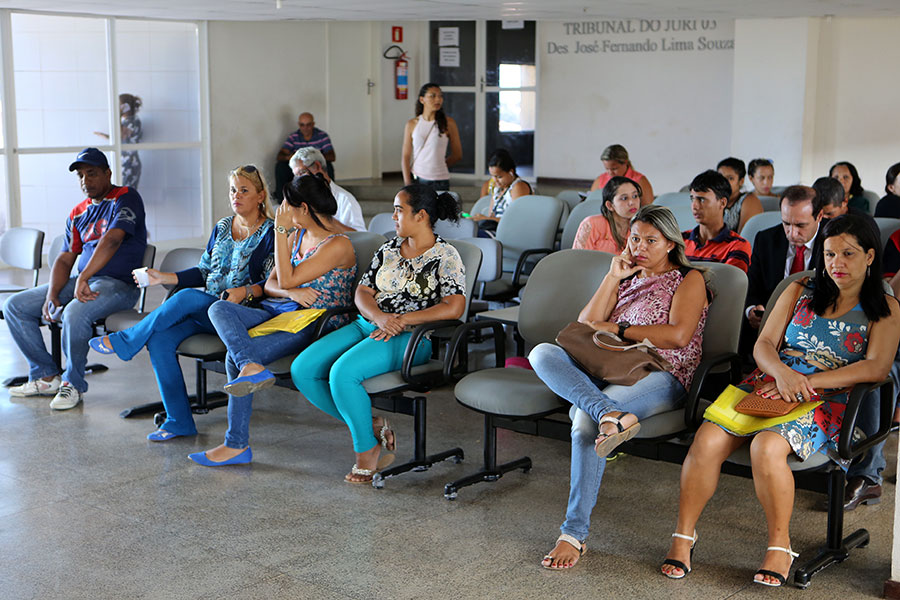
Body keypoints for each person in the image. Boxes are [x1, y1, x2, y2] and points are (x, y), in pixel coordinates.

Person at [661, 214, 900, 586]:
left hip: (826, 399)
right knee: (706, 440)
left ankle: (779, 545)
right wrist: (783, 375)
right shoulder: (800, 289)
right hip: (769, 383)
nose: (836, 263)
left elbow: (875, 368)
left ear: (870, 256)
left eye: (848, 254)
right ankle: (683, 535)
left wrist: (805, 381)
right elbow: (764, 345)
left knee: (767, 447)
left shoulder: (885, 308)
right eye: (830, 253)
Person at [530, 205, 709, 570]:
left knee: (583, 421)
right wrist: (613, 277)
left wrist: (620, 329)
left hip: (660, 373)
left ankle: (573, 534)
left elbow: (678, 335)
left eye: (651, 240)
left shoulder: (689, 279)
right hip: (608, 368)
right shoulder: (628, 275)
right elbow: (585, 323)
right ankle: (609, 412)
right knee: (541, 353)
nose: (640, 246)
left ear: (671, 243)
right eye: (635, 238)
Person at [292, 184, 466, 483]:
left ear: (421, 215)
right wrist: (379, 316)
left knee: (342, 374)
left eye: (399, 210)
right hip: (369, 323)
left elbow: (454, 306)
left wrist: (401, 320)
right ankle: (370, 424)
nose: (393, 216)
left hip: (411, 337)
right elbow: (363, 290)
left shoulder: (446, 255)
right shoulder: (388, 248)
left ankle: (366, 451)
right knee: (303, 369)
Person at [89, 165, 274, 440]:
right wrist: (162, 277)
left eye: (244, 191)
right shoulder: (223, 227)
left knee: (186, 297)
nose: (236, 195)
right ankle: (179, 420)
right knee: (159, 340)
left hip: (239, 315)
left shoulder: (271, 232)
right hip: (207, 309)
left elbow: (273, 283)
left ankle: (127, 340)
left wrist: (245, 291)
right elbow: (203, 270)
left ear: (260, 196)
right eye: (233, 190)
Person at [189, 174, 357, 466]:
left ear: (303, 208)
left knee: (233, 358)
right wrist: (293, 293)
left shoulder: (337, 245)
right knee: (218, 308)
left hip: (313, 322)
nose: (282, 211)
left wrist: (280, 234)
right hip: (280, 310)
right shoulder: (297, 236)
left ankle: (236, 444)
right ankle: (251, 366)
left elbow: (285, 277)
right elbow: (270, 285)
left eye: (287, 205)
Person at [4, 148, 147, 410]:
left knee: (74, 313)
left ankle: (73, 384)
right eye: (80, 176)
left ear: (107, 173)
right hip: (85, 281)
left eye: (91, 174)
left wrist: (84, 276)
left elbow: (113, 239)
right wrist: (52, 293)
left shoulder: (125, 197)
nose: (85, 181)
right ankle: (46, 375)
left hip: (120, 285)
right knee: (15, 306)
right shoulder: (77, 213)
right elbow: (65, 257)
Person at [744, 185, 824, 334]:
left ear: (819, 216)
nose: (792, 233)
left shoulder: (834, 243)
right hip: (770, 325)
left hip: (816, 325)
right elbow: (751, 287)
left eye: (801, 225)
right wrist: (752, 310)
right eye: (786, 223)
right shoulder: (765, 240)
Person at [682, 170, 751, 272]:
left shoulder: (737, 246)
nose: (694, 206)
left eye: (701, 200)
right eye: (692, 199)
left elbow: (729, 285)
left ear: (722, 203)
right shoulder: (680, 240)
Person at [401, 83, 462, 192]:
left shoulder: (449, 123)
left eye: (440, 96)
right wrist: (407, 183)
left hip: (441, 180)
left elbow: (457, 154)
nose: (438, 99)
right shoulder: (412, 124)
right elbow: (405, 156)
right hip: (418, 178)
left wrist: (440, 165)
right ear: (422, 99)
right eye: (432, 96)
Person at [289, 147, 365, 231]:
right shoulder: (301, 199)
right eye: (296, 176)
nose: (299, 180)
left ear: (317, 166)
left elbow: (360, 237)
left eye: (302, 173)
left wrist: (326, 219)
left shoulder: (345, 199)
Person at [572, 176, 641, 253]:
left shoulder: (641, 226)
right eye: (624, 198)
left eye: (635, 196)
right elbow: (578, 260)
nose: (632, 202)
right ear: (610, 205)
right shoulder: (591, 224)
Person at [471, 149, 532, 235]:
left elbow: (516, 220)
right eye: (492, 176)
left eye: (499, 176)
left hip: (510, 232)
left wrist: (486, 219)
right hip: (495, 229)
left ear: (511, 172)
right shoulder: (497, 189)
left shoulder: (518, 187)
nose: (495, 180)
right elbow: (491, 216)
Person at [275, 112, 336, 198]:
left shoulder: (322, 136)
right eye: (302, 125)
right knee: (281, 167)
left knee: (328, 166)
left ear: (313, 124)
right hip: (299, 167)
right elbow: (280, 156)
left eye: (308, 125)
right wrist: (290, 157)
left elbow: (332, 156)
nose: (305, 128)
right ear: (299, 125)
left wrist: (314, 158)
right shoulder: (293, 137)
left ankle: (329, 195)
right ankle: (282, 198)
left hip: (315, 166)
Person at [94, 94, 143, 189]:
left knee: (125, 193)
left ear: (125, 106)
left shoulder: (133, 121)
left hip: (130, 164)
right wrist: (107, 137)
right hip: (125, 163)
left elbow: (123, 135)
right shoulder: (127, 121)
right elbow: (121, 139)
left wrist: (118, 115)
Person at [590, 144, 654, 203]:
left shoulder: (640, 181)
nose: (610, 173)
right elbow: (591, 203)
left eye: (614, 169)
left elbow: (647, 209)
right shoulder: (600, 180)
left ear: (625, 163)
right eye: (607, 169)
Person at [717, 157, 763, 233]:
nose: (724, 182)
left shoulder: (749, 201)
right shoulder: (714, 200)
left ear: (741, 181)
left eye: (730, 178)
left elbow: (744, 239)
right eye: (720, 177)